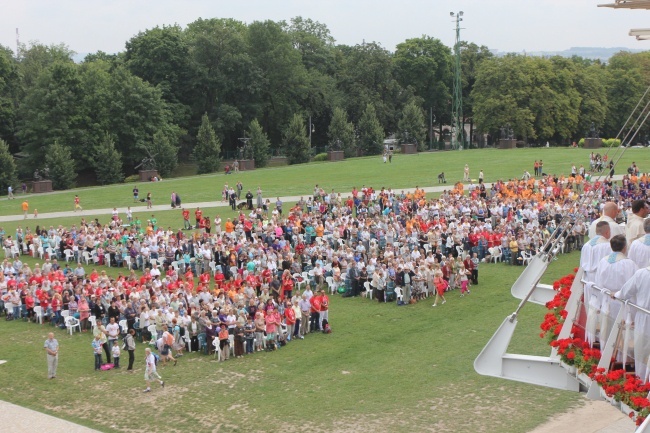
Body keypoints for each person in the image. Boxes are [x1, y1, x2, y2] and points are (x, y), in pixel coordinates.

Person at [595, 235, 638, 348]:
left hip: (606, 299)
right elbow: (633, 287)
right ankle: (620, 356)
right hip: (622, 301)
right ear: (624, 247)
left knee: (608, 329)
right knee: (623, 332)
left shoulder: (603, 261)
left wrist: (600, 302)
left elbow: (598, 283)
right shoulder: (630, 264)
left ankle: (607, 352)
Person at [616, 266, 650, 382]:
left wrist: (617, 294)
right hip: (643, 316)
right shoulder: (642, 273)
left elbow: (625, 291)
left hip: (644, 317)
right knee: (641, 350)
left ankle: (642, 382)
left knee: (641, 351)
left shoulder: (641, 274)